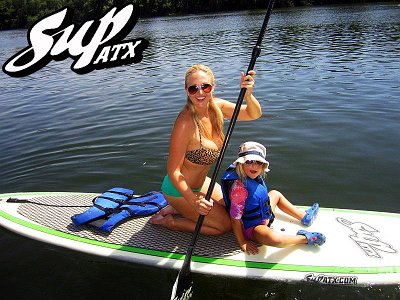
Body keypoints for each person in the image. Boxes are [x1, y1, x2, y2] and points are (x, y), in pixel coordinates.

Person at [150, 64, 262, 235]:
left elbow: (254, 114)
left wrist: (248, 95)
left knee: (234, 208)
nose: (200, 93)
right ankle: (170, 221)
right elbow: (173, 171)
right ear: (187, 91)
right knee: (224, 226)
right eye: (193, 88)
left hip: (201, 184)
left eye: (205, 86)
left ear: (213, 87)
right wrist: (193, 201)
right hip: (179, 189)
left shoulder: (217, 107)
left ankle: (176, 209)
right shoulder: (185, 122)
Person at [221, 141, 326, 255]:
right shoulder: (239, 190)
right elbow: (235, 219)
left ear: (263, 167)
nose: (254, 166)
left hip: (265, 216)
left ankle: (304, 216)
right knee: (275, 240)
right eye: (250, 162)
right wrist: (242, 241)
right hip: (253, 227)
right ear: (241, 164)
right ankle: (305, 238)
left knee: (275, 193)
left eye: (259, 162)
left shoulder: (253, 179)